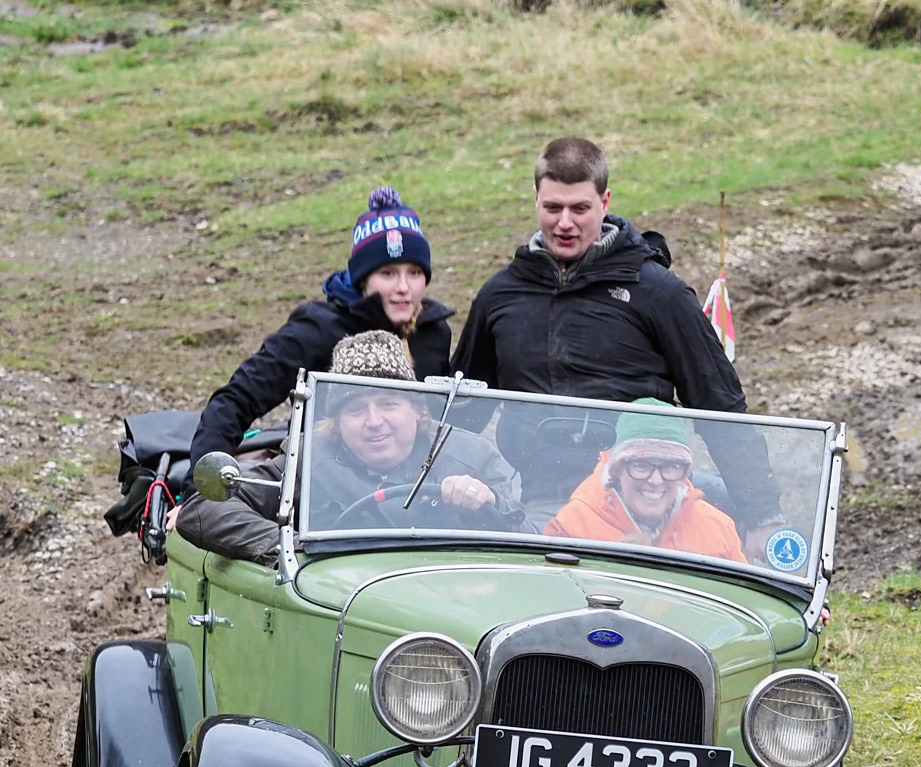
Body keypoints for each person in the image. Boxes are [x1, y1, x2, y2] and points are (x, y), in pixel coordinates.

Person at [450, 137, 779, 540]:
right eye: (553, 208)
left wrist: (763, 517)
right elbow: (462, 412)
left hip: (650, 496)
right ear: (535, 199)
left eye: (579, 209)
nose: (564, 223)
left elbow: (720, 407)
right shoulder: (500, 296)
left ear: (605, 203)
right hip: (546, 499)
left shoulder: (658, 293)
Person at [174, 333, 520, 563]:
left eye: (388, 403)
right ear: (336, 422)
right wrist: (293, 548)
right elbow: (202, 509)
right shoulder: (309, 460)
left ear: (417, 409)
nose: (374, 421)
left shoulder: (469, 456)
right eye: (355, 409)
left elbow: (527, 537)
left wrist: (487, 503)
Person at [187, 187, 453, 471]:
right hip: (322, 482)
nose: (403, 287)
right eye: (387, 273)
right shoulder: (317, 330)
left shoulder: (433, 333)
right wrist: (201, 490)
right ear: (362, 279)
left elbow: (441, 425)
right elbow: (235, 401)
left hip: (414, 484)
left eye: (414, 273)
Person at [545, 401, 745, 562]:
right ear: (617, 470)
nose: (656, 481)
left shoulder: (719, 529)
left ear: (684, 473)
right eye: (640, 465)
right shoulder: (572, 527)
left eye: (671, 466)